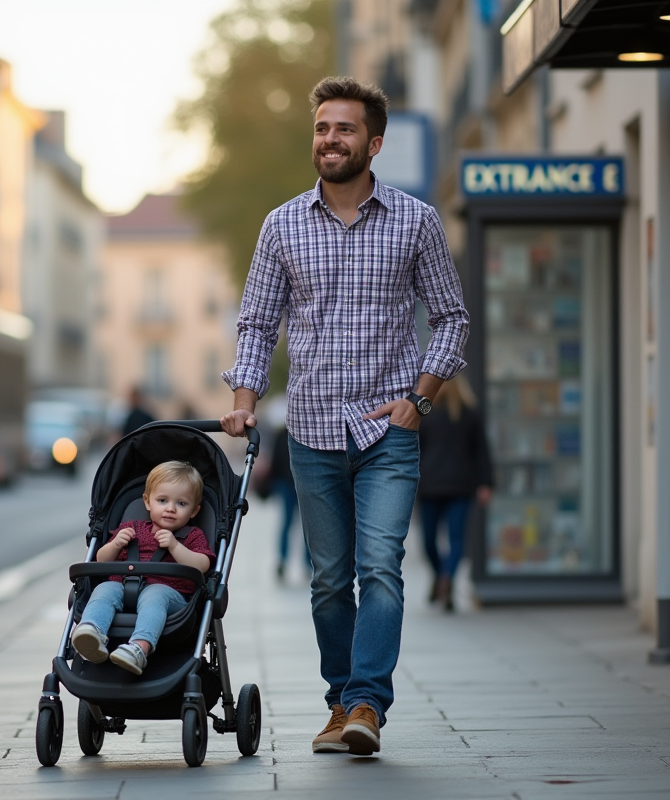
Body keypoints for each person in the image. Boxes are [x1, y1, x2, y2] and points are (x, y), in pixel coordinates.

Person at [220, 76, 469, 756]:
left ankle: (366, 703)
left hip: (388, 430)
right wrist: (243, 403)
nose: (330, 139)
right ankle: (341, 700)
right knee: (329, 581)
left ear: (374, 143)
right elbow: (257, 323)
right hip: (312, 432)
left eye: (345, 129)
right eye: (323, 128)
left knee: (380, 568)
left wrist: (420, 400)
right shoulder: (282, 225)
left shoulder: (416, 221)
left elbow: (452, 318)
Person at [69, 461, 215, 675]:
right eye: (162, 500)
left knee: (155, 595)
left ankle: (139, 647)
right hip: (124, 587)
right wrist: (116, 543)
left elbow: (202, 565)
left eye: (181, 504)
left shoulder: (191, 535)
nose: (170, 509)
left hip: (170, 596)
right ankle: (92, 632)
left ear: (195, 510)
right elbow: (101, 560)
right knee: (104, 589)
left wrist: (175, 546)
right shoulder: (131, 528)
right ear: (147, 502)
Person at [416, 374, 493, 612]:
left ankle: (441, 576)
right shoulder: (470, 413)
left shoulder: (425, 412)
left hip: (429, 484)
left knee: (429, 540)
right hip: (462, 485)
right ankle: (445, 578)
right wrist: (485, 483)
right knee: (456, 537)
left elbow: (414, 449)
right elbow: (482, 452)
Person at [268, 424, 310, 582]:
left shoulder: (300, 431)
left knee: (306, 525)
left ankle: (307, 563)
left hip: (298, 482)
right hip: (287, 483)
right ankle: (284, 561)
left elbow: (274, 460)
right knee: (292, 523)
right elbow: (275, 459)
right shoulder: (282, 433)